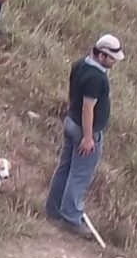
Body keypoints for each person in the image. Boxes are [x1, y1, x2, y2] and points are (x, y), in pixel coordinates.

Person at [43, 33, 123, 237]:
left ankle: (53, 210)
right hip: (84, 129)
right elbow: (89, 108)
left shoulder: (80, 65)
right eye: (112, 58)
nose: (114, 62)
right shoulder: (97, 78)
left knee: (65, 168)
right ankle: (71, 217)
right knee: (79, 175)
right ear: (103, 56)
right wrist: (88, 138)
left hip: (71, 122)